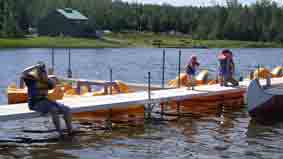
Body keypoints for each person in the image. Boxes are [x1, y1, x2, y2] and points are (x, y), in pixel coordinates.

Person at [21, 62, 73, 137]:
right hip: (35, 103)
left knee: (66, 109)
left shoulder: (48, 82)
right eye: (41, 73)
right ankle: (60, 132)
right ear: (38, 73)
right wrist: (35, 66)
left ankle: (70, 130)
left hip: (46, 101)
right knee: (54, 109)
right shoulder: (31, 80)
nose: (43, 75)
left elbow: (54, 84)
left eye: (44, 73)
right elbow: (23, 72)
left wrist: (51, 80)